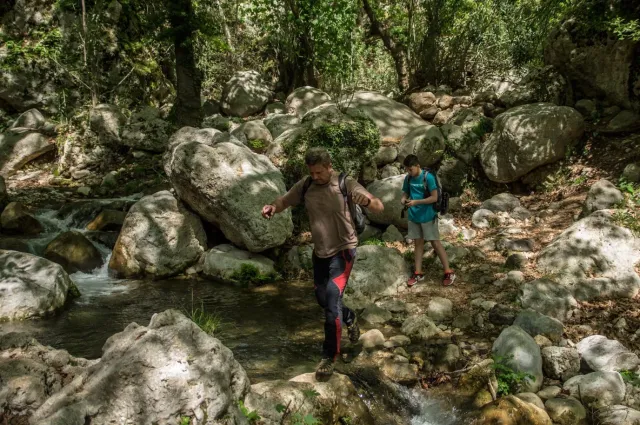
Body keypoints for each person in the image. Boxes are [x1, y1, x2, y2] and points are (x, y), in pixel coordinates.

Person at [261, 147, 384, 379]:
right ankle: (350, 317)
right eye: (312, 172)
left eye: (319, 172)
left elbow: (379, 205)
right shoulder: (306, 185)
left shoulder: (345, 183)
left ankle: (329, 357)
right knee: (322, 298)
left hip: (343, 251)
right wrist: (273, 207)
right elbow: (285, 200)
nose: (315, 176)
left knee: (332, 302)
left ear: (329, 167)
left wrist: (367, 201)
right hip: (320, 253)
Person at [401, 154, 456, 287]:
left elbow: (434, 198)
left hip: (428, 216)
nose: (409, 172)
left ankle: (448, 271)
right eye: (407, 170)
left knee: (435, 243)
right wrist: (403, 199)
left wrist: (416, 202)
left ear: (417, 166)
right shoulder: (408, 178)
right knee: (418, 243)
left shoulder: (428, 178)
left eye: (410, 169)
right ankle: (418, 272)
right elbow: (405, 192)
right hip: (414, 216)